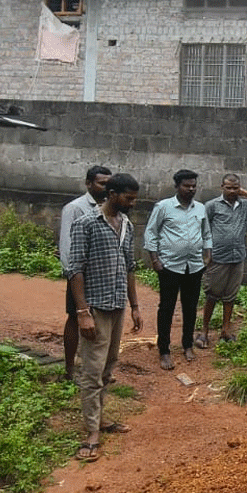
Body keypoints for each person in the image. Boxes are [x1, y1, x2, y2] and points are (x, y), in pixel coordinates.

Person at [67, 173, 143, 462]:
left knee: (109, 367)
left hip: (117, 308)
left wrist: (134, 306)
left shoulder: (126, 225)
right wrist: (83, 313)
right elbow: (75, 270)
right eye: (129, 198)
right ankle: (91, 434)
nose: (133, 203)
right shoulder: (85, 223)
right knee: (91, 372)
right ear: (112, 194)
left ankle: (99, 420)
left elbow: (130, 267)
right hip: (95, 309)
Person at [143, 169, 211, 370]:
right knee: (167, 308)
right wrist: (155, 260)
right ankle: (164, 350)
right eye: (186, 185)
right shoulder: (163, 207)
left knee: (190, 308)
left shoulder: (200, 208)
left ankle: (187, 345)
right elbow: (151, 233)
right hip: (170, 266)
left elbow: (206, 233)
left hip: (194, 266)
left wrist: (208, 254)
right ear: (177, 186)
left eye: (193, 186)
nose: (191, 189)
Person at [198, 173, 247, 347]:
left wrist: (244, 193)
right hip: (217, 258)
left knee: (230, 296)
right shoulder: (212, 206)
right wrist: (205, 253)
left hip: (237, 257)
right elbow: (202, 228)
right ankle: (204, 332)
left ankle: (225, 331)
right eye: (228, 187)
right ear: (221, 187)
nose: (232, 191)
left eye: (235, 188)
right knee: (212, 295)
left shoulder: (244, 205)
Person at [57, 165, 111, 379]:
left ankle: (97, 368)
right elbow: (67, 245)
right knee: (75, 317)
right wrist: (73, 274)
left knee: (102, 320)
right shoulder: (75, 208)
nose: (106, 187)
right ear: (89, 184)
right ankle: (70, 368)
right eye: (102, 183)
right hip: (80, 275)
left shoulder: (110, 208)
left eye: (109, 183)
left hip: (102, 275)